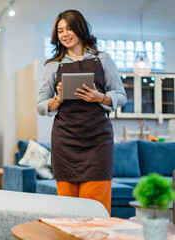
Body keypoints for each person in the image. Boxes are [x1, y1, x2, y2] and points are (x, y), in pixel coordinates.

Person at [37, 9, 127, 215]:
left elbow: (121, 96)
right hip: (65, 141)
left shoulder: (102, 59)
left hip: (98, 141)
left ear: (80, 29)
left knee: (96, 208)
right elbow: (41, 106)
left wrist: (100, 98)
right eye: (60, 31)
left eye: (69, 28)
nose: (64, 34)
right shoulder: (52, 66)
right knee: (67, 210)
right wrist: (58, 99)